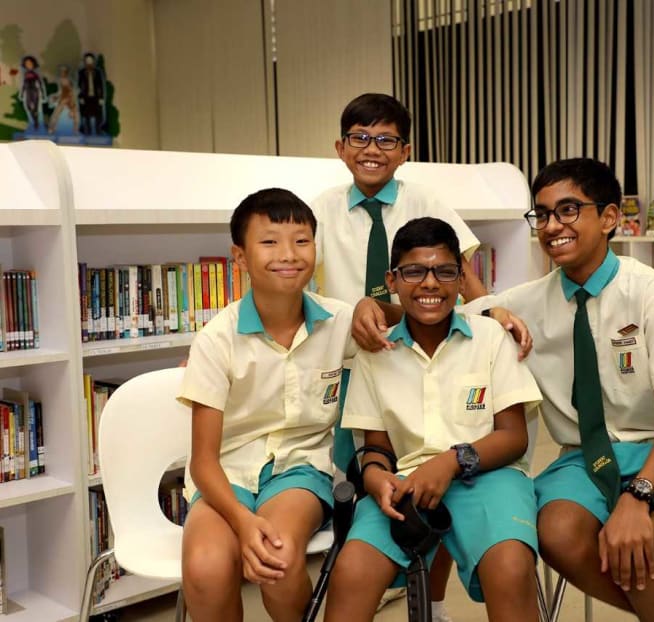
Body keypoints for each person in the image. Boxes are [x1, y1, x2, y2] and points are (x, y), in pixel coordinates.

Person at [462, 158, 654, 622]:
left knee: (634, 553)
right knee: (556, 535)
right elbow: (446, 312)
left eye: (568, 210)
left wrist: (637, 497)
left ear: (608, 218)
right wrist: (491, 314)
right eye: (542, 214)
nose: (552, 226)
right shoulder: (528, 300)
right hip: (584, 455)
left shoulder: (650, 293)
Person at [311, 92, 508, 619]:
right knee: (367, 473)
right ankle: (373, 564)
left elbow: (461, 274)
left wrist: (492, 310)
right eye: (360, 138)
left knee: (432, 461)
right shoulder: (322, 210)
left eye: (386, 140)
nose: (371, 150)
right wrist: (351, 306)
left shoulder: (425, 200)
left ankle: (434, 602)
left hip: (424, 352)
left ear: (405, 151)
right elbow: (302, 289)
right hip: (358, 364)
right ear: (340, 147)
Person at [323, 217, 543, 622]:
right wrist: (375, 478)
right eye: (413, 271)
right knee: (350, 573)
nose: (429, 283)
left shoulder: (490, 338)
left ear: (462, 280)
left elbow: (514, 438)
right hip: (406, 483)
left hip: (488, 477)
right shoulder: (375, 354)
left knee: (510, 569)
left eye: (444, 271)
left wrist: (450, 461)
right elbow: (376, 449)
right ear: (392, 279)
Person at [178, 188, 358, 622]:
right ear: (238, 258)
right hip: (226, 474)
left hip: (302, 468)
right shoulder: (216, 338)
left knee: (276, 558)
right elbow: (204, 462)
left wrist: (495, 313)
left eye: (301, 241)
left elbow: (403, 316)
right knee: (205, 567)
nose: (288, 254)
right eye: (269, 241)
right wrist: (241, 522)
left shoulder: (341, 321)